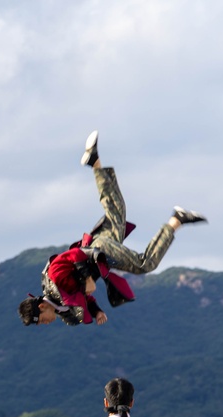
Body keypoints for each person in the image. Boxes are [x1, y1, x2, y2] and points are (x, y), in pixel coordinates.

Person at [18, 131, 206, 327]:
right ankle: (95, 162)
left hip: (100, 252)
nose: (44, 324)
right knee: (117, 211)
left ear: (41, 308)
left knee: (145, 264)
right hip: (99, 250)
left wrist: (88, 277)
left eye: (39, 322)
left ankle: (176, 220)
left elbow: (73, 255)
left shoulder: (54, 281)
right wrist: (97, 311)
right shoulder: (60, 303)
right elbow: (85, 298)